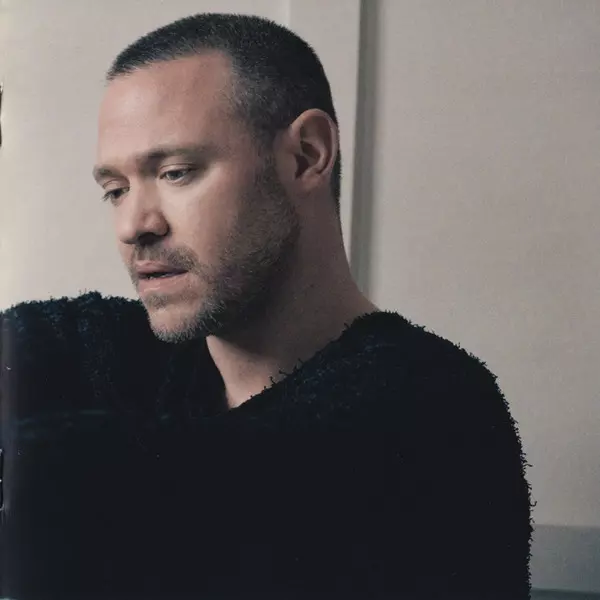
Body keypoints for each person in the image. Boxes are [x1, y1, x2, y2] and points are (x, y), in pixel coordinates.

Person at [0, 13, 532, 600]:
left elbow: (193, 485)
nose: (134, 226)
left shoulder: (435, 409)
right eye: (115, 190)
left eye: (176, 173)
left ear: (307, 155)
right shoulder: (120, 349)